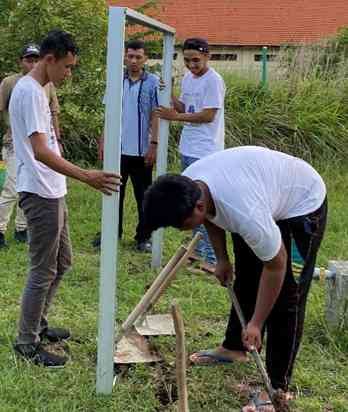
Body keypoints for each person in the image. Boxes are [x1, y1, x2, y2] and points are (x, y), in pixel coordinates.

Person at [143, 146, 327, 411]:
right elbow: (208, 218)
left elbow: (275, 266)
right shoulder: (191, 183)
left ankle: (275, 388)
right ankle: (234, 349)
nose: (179, 229)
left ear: (198, 205)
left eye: (181, 224)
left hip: (301, 204)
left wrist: (256, 322)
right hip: (261, 191)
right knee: (246, 277)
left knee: (288, 298)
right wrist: (222, 258)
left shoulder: (246, 213)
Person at [9, 30, 120, 368]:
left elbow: (47, 144)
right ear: (49, 59)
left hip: (53, 189)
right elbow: (40, 151)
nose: (69, 73)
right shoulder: (28, 92)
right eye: (68, 67)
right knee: (42, 270)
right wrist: (87, 175)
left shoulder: (41, 90)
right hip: (40, 192)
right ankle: (27, 342)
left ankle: (39, 325)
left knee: (64, 261)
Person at [155, 37, 225, 272]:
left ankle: (209, 257)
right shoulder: (188, 78)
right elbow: (186, 108)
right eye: (187, 60)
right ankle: (197, 250)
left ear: (207, 56)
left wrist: (175, 117)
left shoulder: (213, 81)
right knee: (190, 202)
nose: (191, 65)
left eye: (196, 60)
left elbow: (207, 116)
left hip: (206, 150)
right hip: (188, 147)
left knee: (201, 203)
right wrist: (169, 94)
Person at [93, 39, 159, 253]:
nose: (133, 60)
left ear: (145, 59)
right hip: (117, 149)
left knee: (144, 196)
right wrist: (103, 140)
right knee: (113, 193)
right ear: (124, 56)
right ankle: (111, 233)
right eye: (130, 56)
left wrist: (154, 144)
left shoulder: (153, 83)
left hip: (141, 151)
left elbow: (156, 115)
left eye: (138, 56)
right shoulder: (115, 80)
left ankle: (143, 237)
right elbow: (109, 112)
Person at [0, 43, 61, 248]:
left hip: (42, 145)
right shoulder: (11, 82)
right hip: (14, 143)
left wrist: (57, 139)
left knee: (30, 186)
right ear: (21, 61)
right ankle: (0, 229)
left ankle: (21, 228)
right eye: (28, 59)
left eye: (36, 59)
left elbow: (53, 112)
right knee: (10, 188)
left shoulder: (47, 84)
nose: (32, 63)